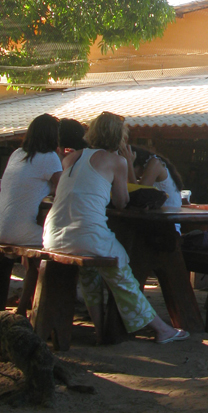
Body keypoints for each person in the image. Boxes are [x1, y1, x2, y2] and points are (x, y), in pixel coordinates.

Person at [43, 111, 188, 344]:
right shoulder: (116, 161)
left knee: (90, 272)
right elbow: (122, 202)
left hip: (51, 235)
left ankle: (101, 329)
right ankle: (161, 329)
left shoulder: (71, 158)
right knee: (121, 270)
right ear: (119, 136)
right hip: (87, 234)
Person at [0, 113, 62, 247]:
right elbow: (64, 190)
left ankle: (31, 269)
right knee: (63, 241)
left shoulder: (17, 154)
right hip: (18, 233)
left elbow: (31, 184)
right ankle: (37, 269)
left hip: (2, 228)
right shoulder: (50, 157)